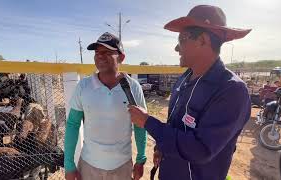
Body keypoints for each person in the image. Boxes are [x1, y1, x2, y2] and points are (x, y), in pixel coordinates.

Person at [128, 5, 252, 180]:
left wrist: (148, 122)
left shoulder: (231, 90)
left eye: (181, 40)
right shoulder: (184, 78)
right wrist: (160, 147)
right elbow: (174, 125)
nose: (176, 48)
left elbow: (201, 149)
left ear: (202, 40)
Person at [64, 32, 147, 180]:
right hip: (89, 166)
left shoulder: (133, 88)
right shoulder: (84, 86)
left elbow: (140, 126)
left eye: (107, 52)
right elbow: (72, 124)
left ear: (121, 57)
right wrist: (69, 164)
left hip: (122, 167)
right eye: (97, 52)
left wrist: (140, 159)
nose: (100, 56)